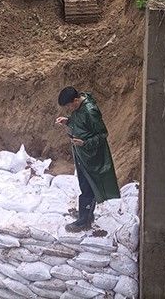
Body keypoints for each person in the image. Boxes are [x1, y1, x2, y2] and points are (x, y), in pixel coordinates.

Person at [55, 86, 120, 232]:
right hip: (83, 154)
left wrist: (85, 143)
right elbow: (81, 123)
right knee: (85, 183)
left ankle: (84, 221)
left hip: (92, 156)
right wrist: (68, 121)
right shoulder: (80, 107)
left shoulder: (90, 111)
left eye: (69, 106)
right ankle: (86, 215)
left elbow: (102, 134)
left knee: (88, 185)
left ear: (76, 100)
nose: (69, 109)